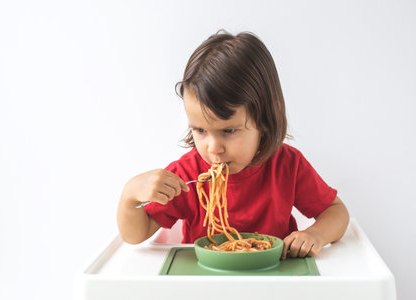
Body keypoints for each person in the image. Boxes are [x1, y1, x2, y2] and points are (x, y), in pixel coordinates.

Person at [117, 30, 349, 259]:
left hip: (274, 278)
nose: (213, 148)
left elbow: (336, 212)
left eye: (228, 130)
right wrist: (129, 197)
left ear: (266, 117)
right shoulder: (187, 176)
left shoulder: (287, 165)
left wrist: (315, 235)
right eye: (200, 130)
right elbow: (136, 234)